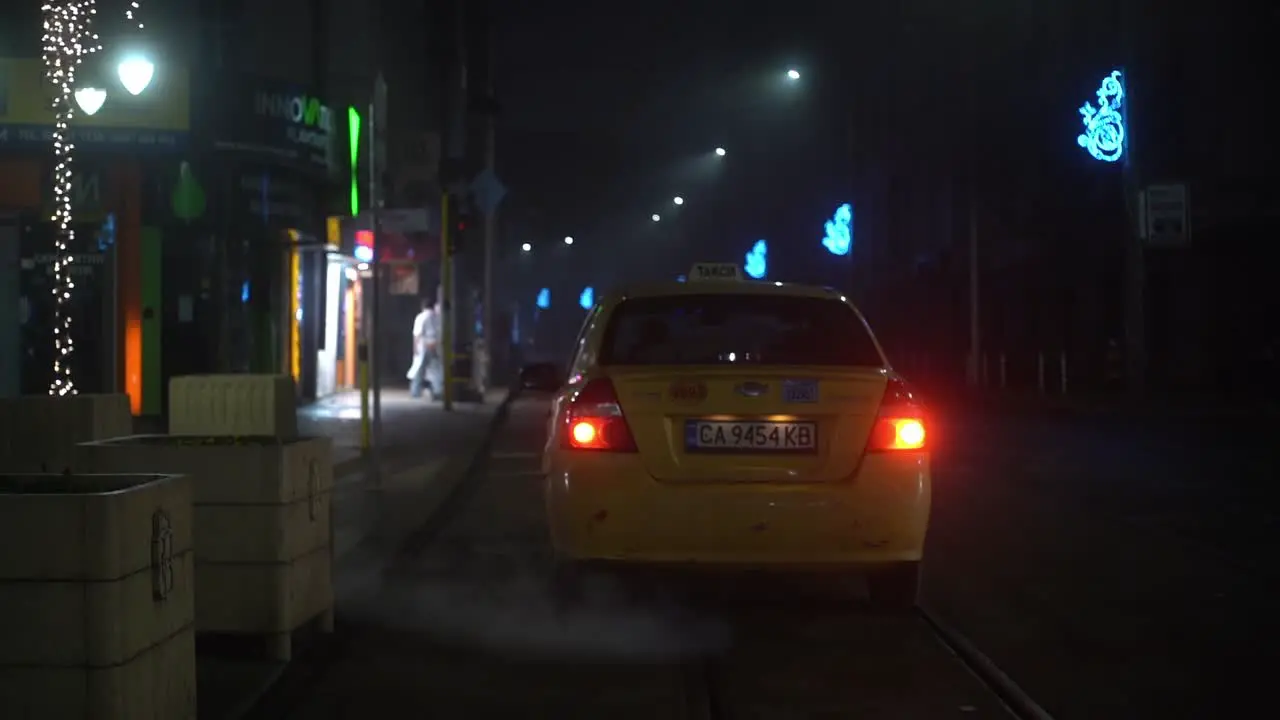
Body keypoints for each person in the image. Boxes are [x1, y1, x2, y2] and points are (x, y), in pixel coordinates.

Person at [407, 297, 443, 399]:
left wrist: (415, 349)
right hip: (435, 345)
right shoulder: (437, 317)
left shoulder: (421, 317)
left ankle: (415, 392)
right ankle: (438, 391)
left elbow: (417, 335)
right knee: (436, 370)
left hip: (424, 346)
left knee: (419, 370)